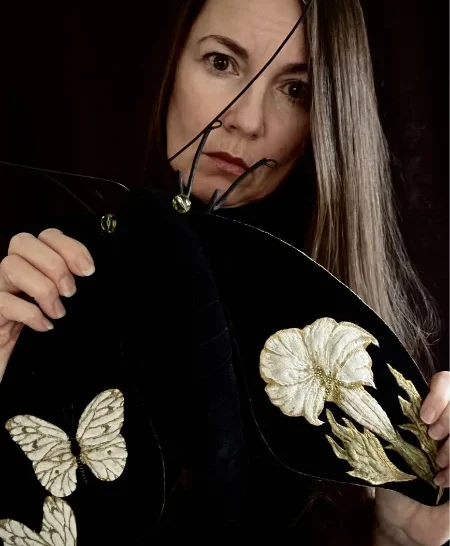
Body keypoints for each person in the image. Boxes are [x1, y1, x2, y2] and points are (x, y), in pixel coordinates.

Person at [0, 0, 448, 544]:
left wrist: (399, 537)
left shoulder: (362, 353)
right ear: (170, 60)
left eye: (295, 90)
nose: (247, 118)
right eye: (221, 63)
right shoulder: (31, 269)